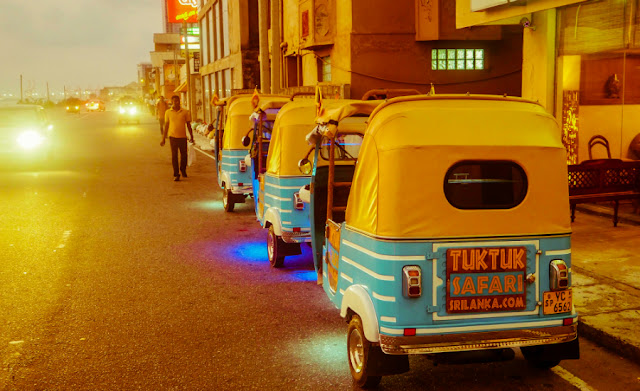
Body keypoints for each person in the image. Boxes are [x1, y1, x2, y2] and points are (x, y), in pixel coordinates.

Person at [160, 95, 194, 181]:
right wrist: (163, 138)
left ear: (180, 101)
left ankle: (183, 169)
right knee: (174, 156)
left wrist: (191, 137)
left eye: (178, 101)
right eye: (174, 101)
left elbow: (188, 125)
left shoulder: (185, 112)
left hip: (182, 137)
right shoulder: (168, 112)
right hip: (173, 137)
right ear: (172, 102)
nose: (176, 102)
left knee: (184, 155)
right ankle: (176, 174)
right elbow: (166, 125)